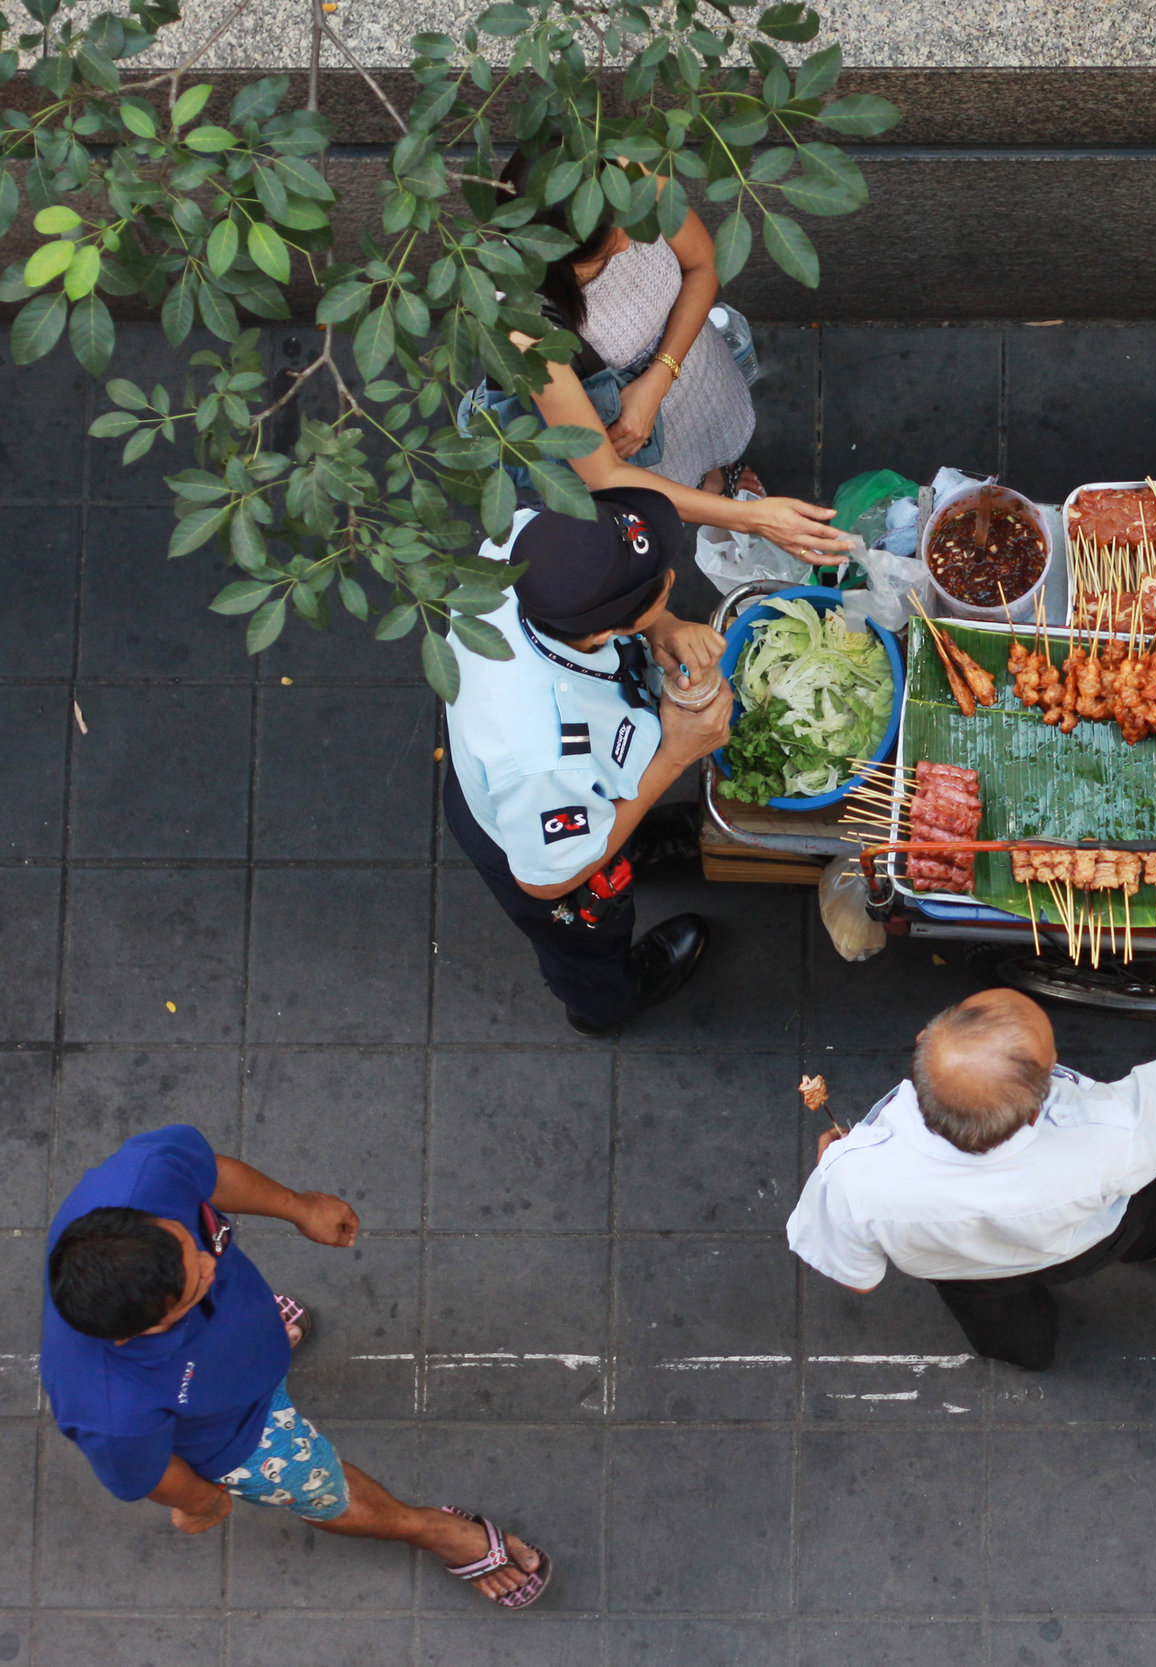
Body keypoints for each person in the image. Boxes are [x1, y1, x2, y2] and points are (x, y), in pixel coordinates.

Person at [787, 854, 1156, 1370]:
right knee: (1150, 1204)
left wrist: (833, 1163)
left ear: (923, 1043)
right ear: (1039, 1108)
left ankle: (1024, 1352)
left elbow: (858, 1277)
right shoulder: (1111, 1135)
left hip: (961, 1271)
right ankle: (1152, 1247)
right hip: (1085, 1243)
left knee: (1000, 1321)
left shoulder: (853, 1177)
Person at [42, 1126, 549, 1608]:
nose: (210, 1263)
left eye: (191, 1243)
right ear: (135, 1333)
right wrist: (202, 1502)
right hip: (236, 1433)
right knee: (325, 1491)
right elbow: (153, 1475)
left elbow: (207, 1176)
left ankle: (265, 1339)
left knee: (235, 1300)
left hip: (246, 1333)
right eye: (195, 1285)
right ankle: (431, 1530)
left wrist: (299, 1207)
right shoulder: (107, 1408)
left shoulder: (142, 1178)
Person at [478, 152, 858, 569]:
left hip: (689, 363)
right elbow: (603, 473)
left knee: (710, 441)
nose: (627, 241)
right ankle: (709, 489)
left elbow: (701, 266)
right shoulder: (523, 324)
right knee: (671, 476)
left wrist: (659, 378)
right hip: (631, 436)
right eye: (603, 254)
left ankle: (714, 477)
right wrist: (754, 519)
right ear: (553, 260)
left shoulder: (627, 181)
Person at [441, 487, 725, 1037]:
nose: (672, 575)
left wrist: (661, 626)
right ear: (604, 632)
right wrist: (675, 756)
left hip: (561, 788)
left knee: (616, 827)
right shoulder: (539, 757)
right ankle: (604, 1004)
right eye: (662, 582)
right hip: (535, 838)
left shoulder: (520, 546)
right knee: (587, 941)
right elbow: (547, 880)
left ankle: (635, 840)